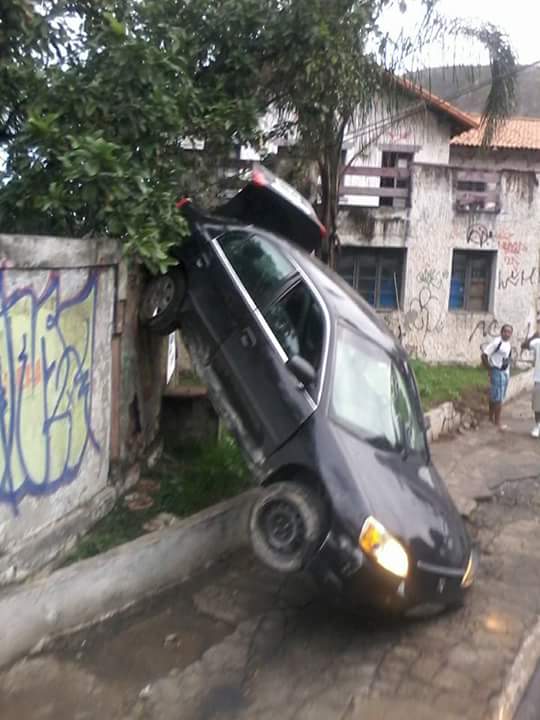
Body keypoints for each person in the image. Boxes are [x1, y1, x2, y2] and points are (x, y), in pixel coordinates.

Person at [481, 324, 513, 431]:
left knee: (496, 396)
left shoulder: (508, 344)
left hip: (505, 372)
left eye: (509, 332)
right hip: (497, 371)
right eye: (505, 331)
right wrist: (490, 369)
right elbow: (484, 355)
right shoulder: (497, 342)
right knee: (498, 399)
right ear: (501, 332)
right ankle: (497, 422)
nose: (507, 333)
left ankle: (491, 418)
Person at [521, 326, 540, 437]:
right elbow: (523, 346)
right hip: (539, 380)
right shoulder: (538, 342)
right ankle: (538, 426)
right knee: (537, 405)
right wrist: (533, 336)